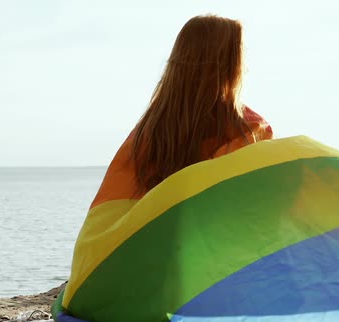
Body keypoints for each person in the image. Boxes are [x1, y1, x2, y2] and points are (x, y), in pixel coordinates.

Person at [89, 15, 273, 210]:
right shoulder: (249, 130)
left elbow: (112, 209)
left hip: (166, 239)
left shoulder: (145, 135)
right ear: (230, 67)